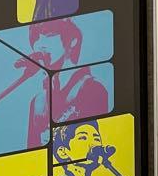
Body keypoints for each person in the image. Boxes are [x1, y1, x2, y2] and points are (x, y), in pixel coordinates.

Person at [23, 19, 110, 150]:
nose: (40, 44)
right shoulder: (38, 102)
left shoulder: (93, 89)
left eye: (49, 35)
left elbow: (96, 147)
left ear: (73, 40)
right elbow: (32, 155)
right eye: (36, 38)